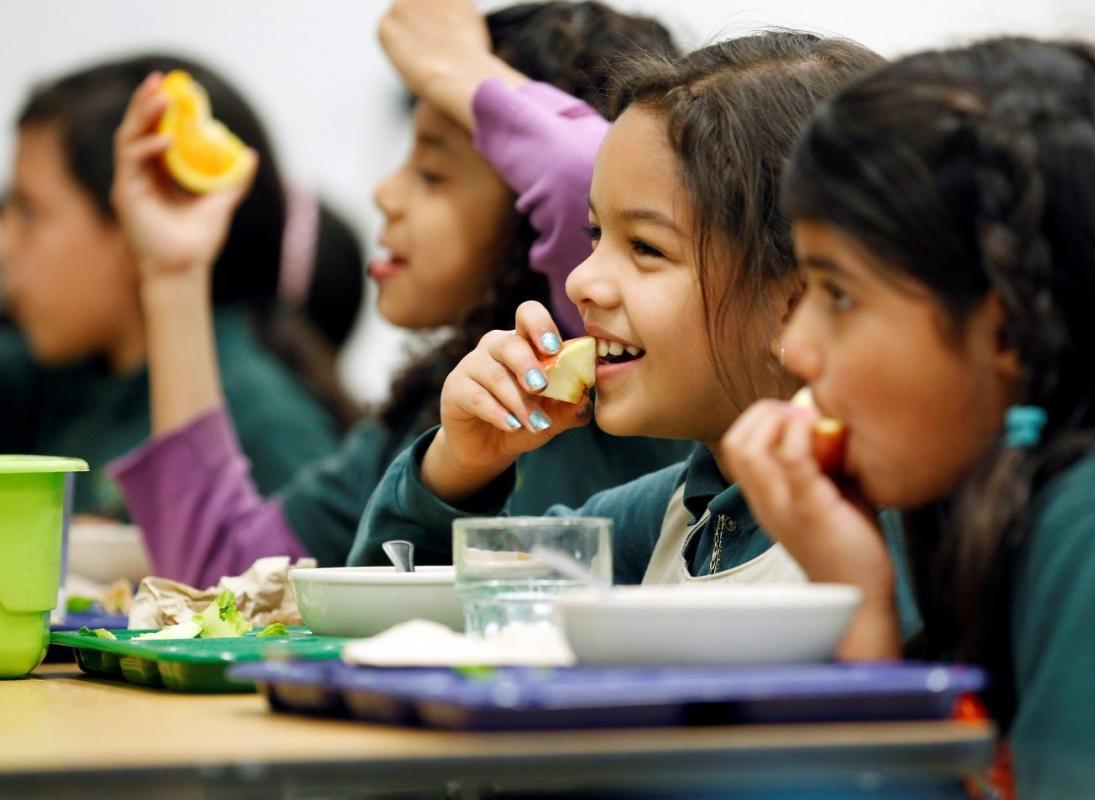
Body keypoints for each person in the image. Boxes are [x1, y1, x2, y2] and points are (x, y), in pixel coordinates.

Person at [723, 37, 1095, 799]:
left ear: (1009, 327)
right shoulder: (1021, 492)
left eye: (838, 293)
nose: (799, 348)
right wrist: (857, 602)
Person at [110, 0, 692, 586]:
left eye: (433, 173)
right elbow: (224, 575)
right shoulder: (435, 407)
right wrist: (172, 274)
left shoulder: (621, 371)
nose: (385, 194)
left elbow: (594, 171)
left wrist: (454, 66)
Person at [353, 30, 888, 586]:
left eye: (647, 247)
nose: (582, 281)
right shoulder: (665, 520)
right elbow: (395, 622)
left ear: (801, 301)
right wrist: (459, 468)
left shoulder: (902, 521)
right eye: (594, 233)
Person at [0, 55, 344, 519]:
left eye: (30, 211)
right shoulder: (62, 379)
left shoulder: (263, 424)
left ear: (137, 214)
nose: (5, 244)